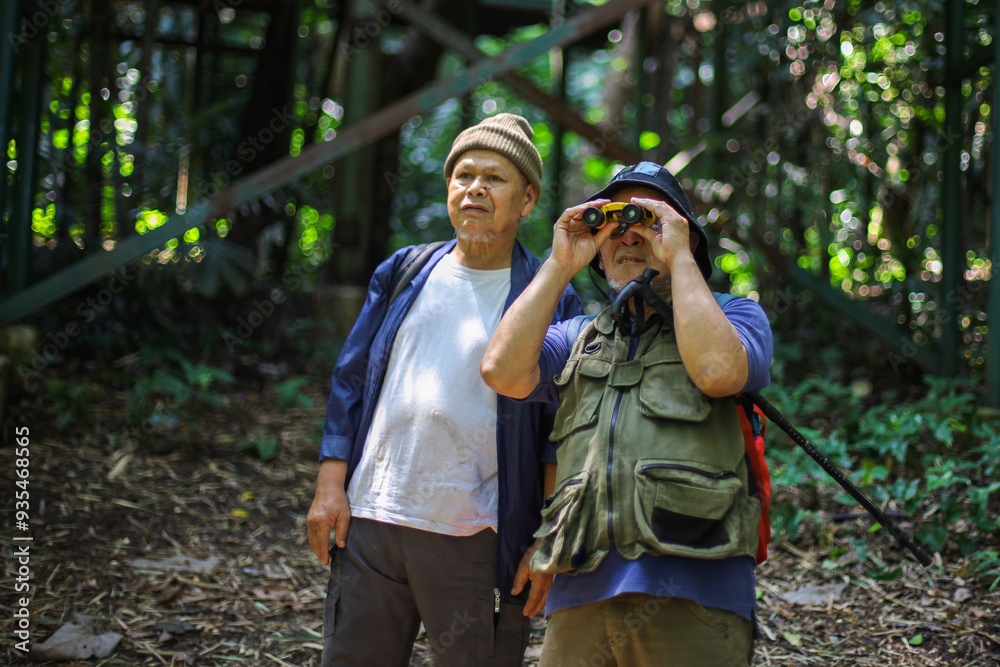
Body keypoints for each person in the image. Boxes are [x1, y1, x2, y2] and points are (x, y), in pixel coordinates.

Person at [306, 112, 583, 667]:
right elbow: (352, 380)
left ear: (527, 201)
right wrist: (330, 487)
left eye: (495, 179)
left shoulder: (547, 295)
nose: (475, 188)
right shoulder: (405, 272)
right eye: (463, 175)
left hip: (475, 534)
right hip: (371, 522)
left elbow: (561, 430)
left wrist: (545, 537)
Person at [480, 161, 773, 667]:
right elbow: (502, 371)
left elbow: (718, 372)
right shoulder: (579, 336)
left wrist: (678, 258)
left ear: (685, 237)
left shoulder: (736, 314)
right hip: (581, 592)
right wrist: (559, 263)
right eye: (612, 224)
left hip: (695, 590)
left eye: (647, 220)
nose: (628, 234)